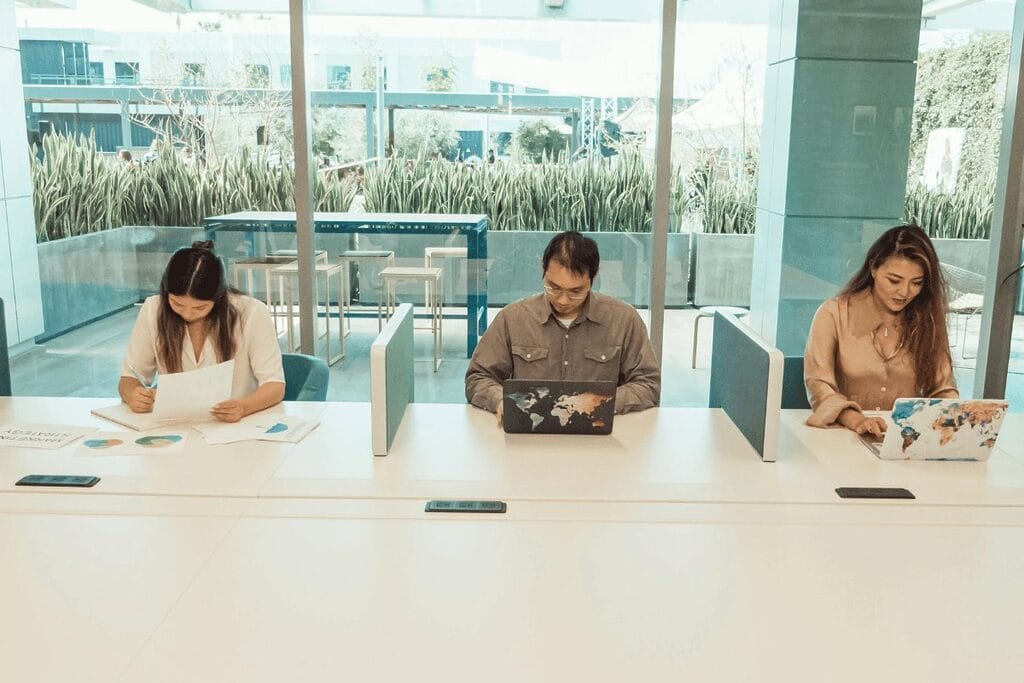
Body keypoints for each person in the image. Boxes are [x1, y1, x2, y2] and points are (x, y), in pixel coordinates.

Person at [465, 230, 661, 421]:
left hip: (598, 434)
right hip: (531, 431)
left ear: (593, 277)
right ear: (543, 268)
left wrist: (603, 403)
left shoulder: (623, 320)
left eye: (576, 291)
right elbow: (478, 377)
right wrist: (502, 401)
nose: (564, 300)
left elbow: (648, 384)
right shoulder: (513, 318)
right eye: (554, 287)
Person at [804, 224, 958, 436]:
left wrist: (953, 418)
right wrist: (856, 420)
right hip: (841, 435)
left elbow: (943, 390)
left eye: (917, 283)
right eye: (894, 280)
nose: (904, 292)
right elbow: (819, 386)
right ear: (873, 268)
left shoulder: (927, 319)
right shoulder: (832, 314)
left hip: (904, 438)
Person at [119, 241, 285, 422]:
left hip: (237, 427)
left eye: (200, 308)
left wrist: (243, 407)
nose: (187, 313)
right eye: (177, 304)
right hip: (176, 426)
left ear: (219, 297)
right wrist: (133, 395)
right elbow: (129, 378)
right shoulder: (153, 309)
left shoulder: (251, 312)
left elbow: (275, 386)